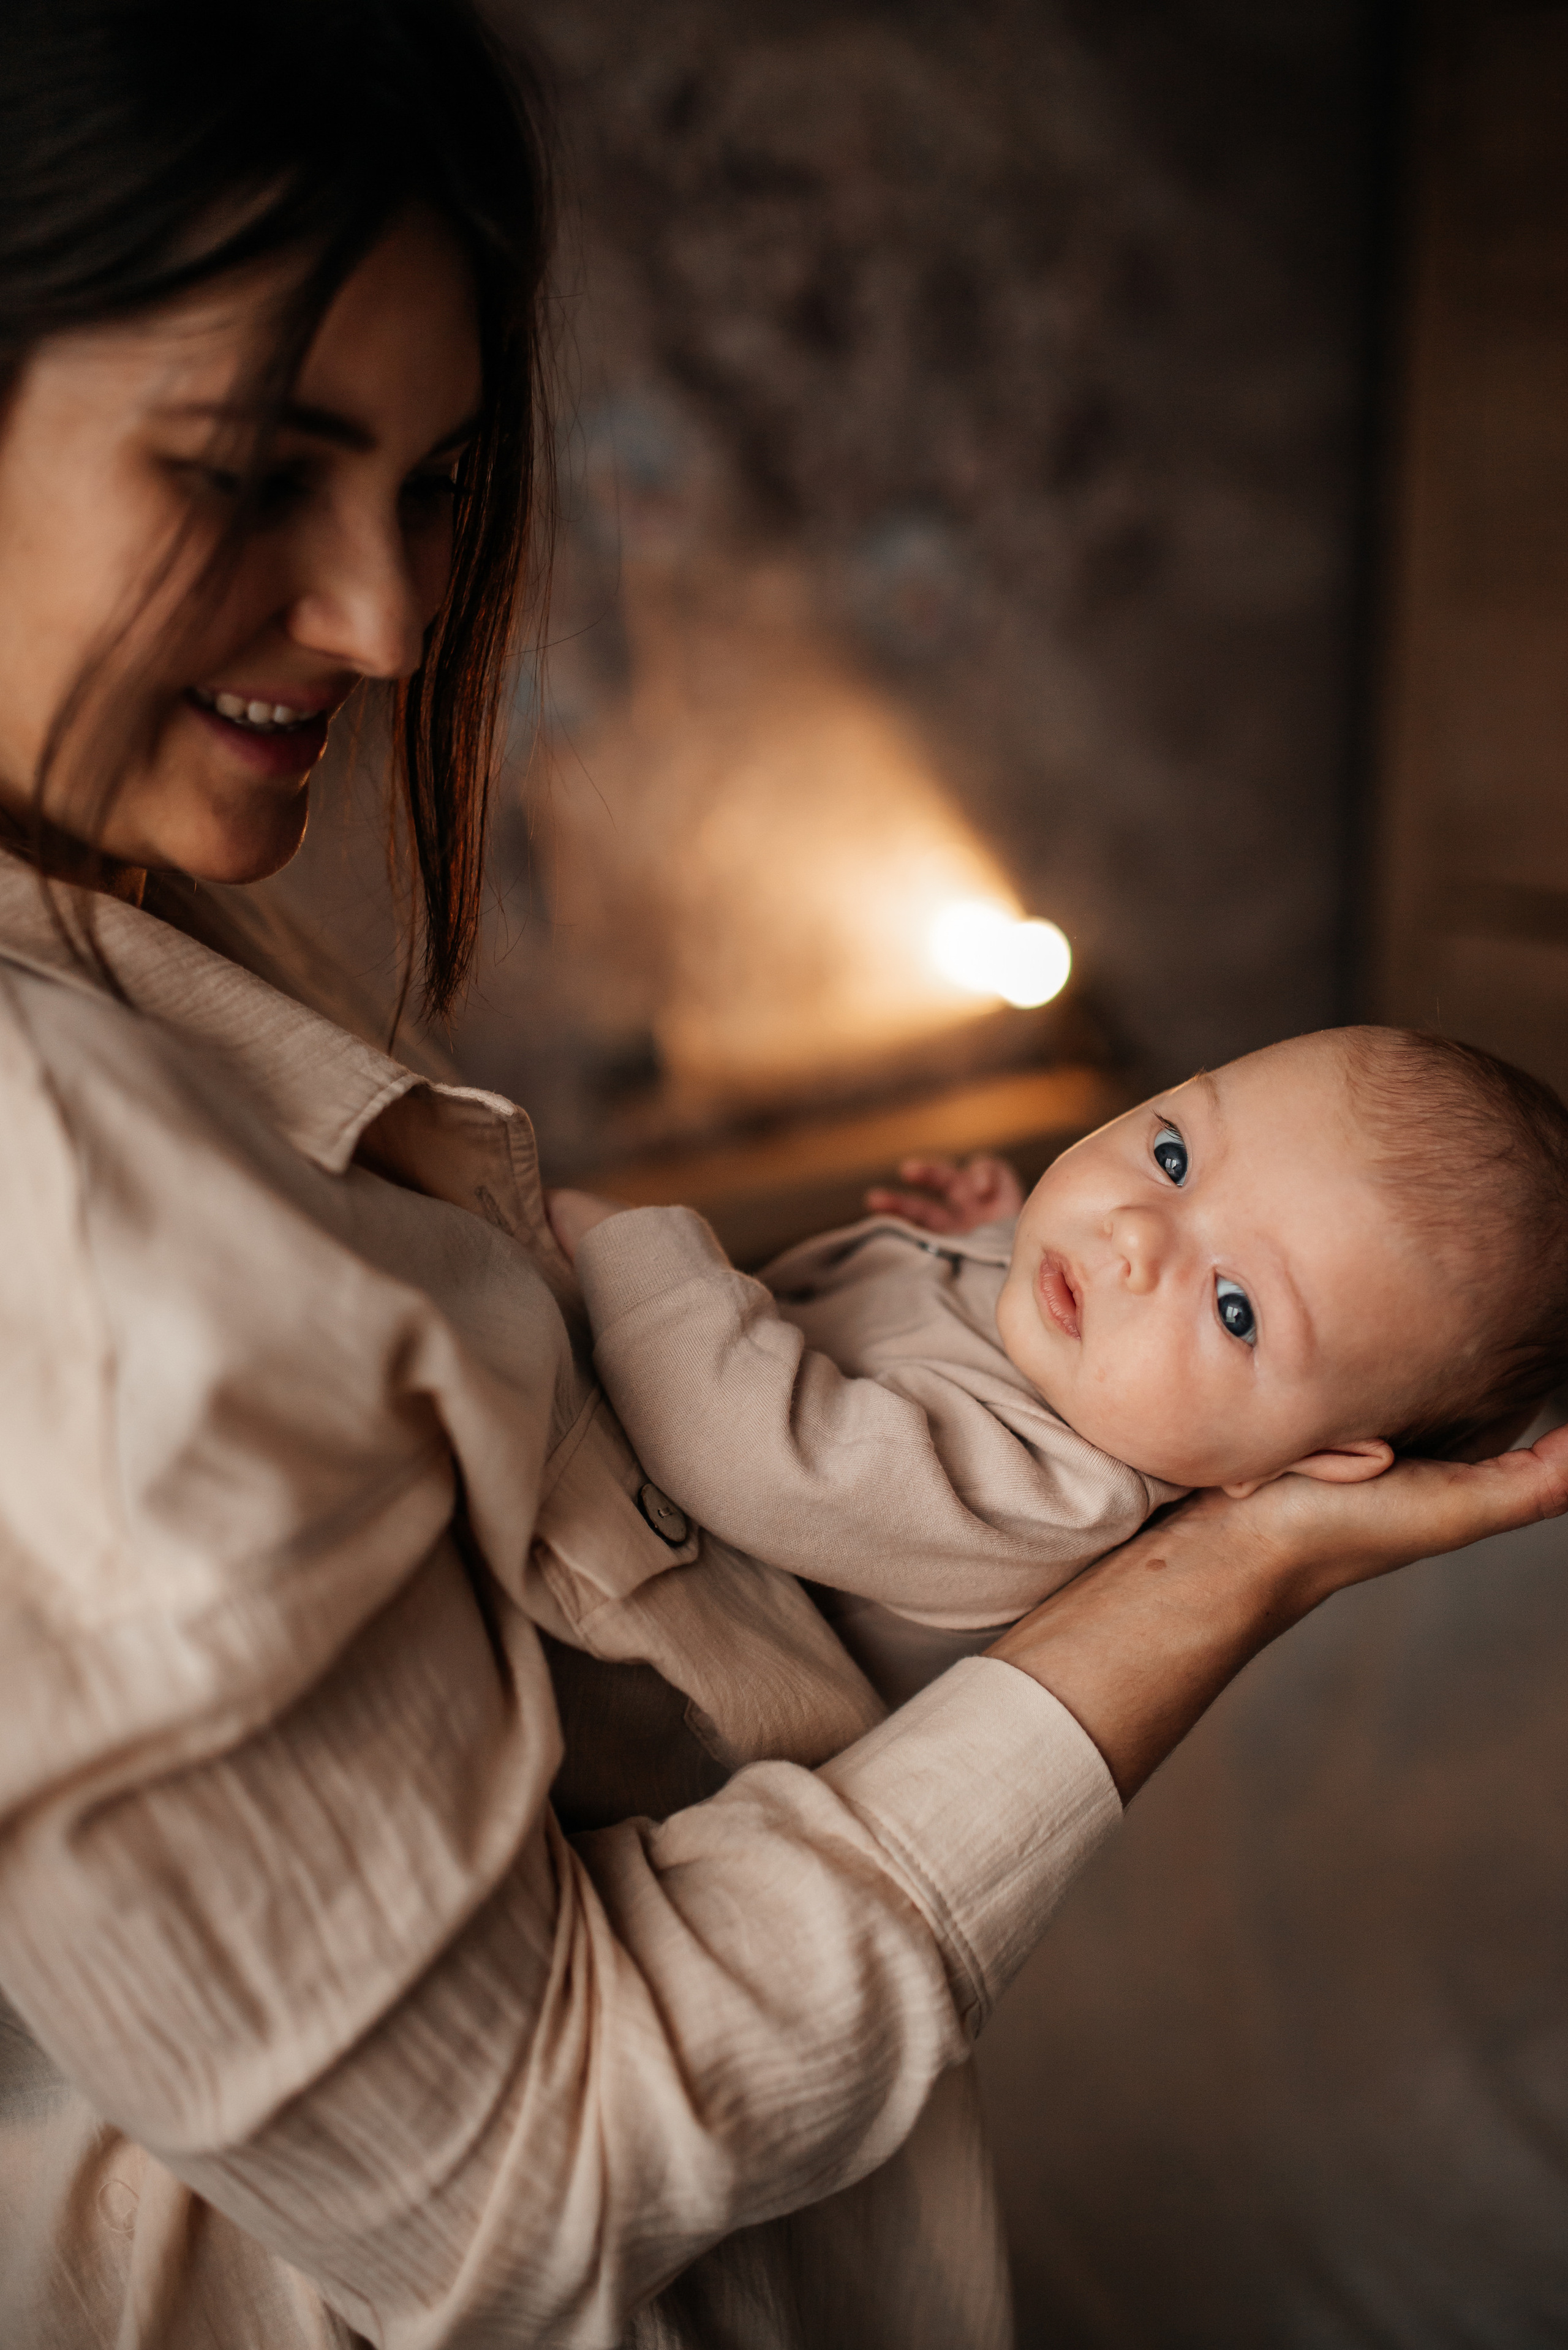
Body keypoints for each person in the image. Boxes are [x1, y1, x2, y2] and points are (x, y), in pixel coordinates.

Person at [0, 4, 1564, 2346]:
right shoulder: (94, 1237)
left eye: (436, 485)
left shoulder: (116, 907)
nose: (400, 623)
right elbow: (515, 2182)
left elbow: (779, 1425)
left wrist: (671, 1245)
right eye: (249, 473)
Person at [546, 1028, 1568, 1702]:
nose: (1132, 1233)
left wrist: (637, 1250)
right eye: (1172, 1156)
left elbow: (752, 1450)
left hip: (622, 1647)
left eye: (1235, 1307)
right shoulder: (1096, 1349)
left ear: (1323, 1458)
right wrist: (995, 1230)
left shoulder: (1047, 1494)